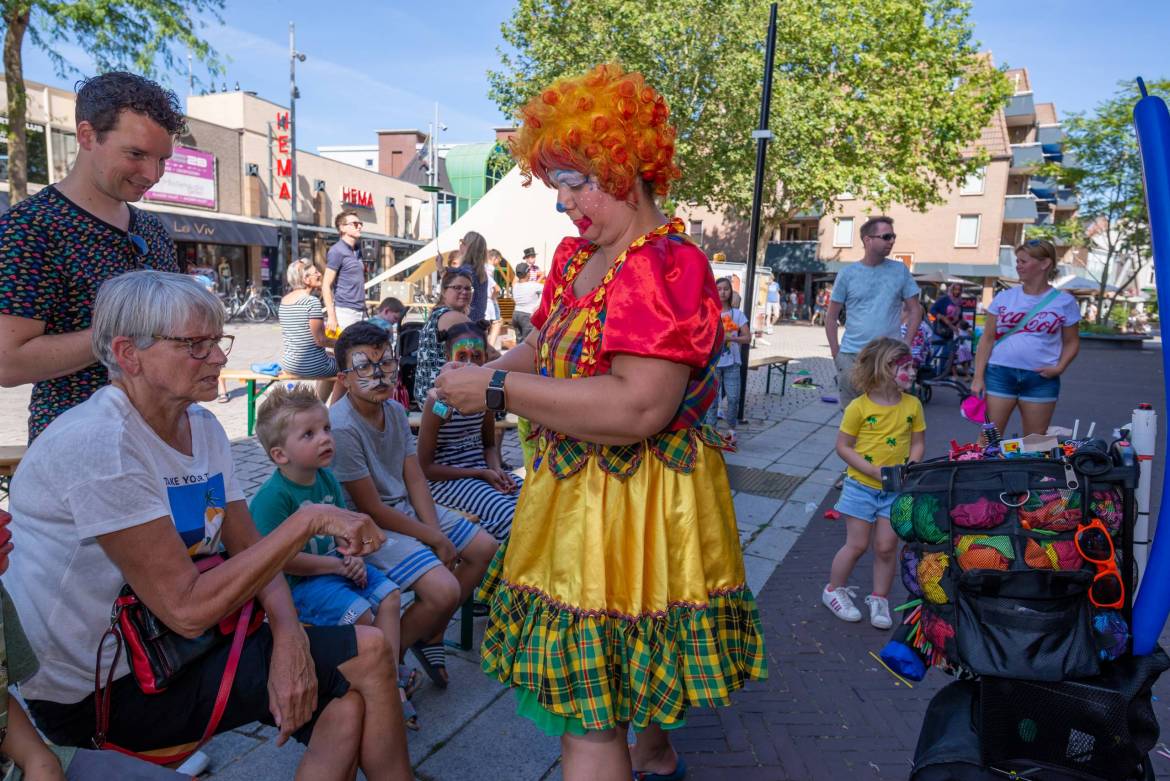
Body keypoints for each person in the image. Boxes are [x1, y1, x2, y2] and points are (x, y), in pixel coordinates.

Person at [433, 63, 766, 780]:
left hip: (636, 508)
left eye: (578, 179)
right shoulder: (577, 257)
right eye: (556, 183)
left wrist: (496, 395)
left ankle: (643, 748)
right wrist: (485, 373)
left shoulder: (667, 264)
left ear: (628, 162)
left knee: (590, 714)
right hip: (577, 497)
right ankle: (657, 751)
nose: (565, 202)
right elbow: (546, 342)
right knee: (612, 689)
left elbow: (637, 407)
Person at [6, 271, 411, 780]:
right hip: (101, 690)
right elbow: (187, 609)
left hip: (178, 651)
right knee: (367, 658)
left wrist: (288, 633)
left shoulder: (200, 425)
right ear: (129, 354)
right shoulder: (101, 444)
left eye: (218, 340)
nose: (218, 357)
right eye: (196, 345)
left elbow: (249, 545)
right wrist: (309, 519)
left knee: (346, 702)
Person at [0, 71, 182, 443]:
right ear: (87, 136)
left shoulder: (153, 229)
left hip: (164, 439)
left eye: (162, 159)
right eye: (136, 154)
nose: (153, 174)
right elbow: (7, 361)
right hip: (79, 446)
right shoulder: (31, 227)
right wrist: (121, 335)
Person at [329, 322, 498, 690]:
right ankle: (389, 664)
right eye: (365, 367)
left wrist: (434, 531)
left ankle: (425, 634)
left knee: (485, 547)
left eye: (386, 363)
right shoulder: (341, 426)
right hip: (367, 527)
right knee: (445, 590)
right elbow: (371, 508)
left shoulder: (393, 409)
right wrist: (432, 538)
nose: (379, 375)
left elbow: (415, 478)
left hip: (401, 509)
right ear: (343, 378)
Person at [251, 384, 419, 730]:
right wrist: (337, 564)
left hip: (337, 567)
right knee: (362, 616)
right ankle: (381, 684)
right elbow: (279, 561)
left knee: (390, 596)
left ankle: (388, 676)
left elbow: (345, 531)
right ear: (280, 455)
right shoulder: (272, 499)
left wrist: (353, 556)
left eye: (326, 429)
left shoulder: (327, 478)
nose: (325, 438)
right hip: (300, 585)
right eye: (309, 434)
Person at [824, 337, 925, 628]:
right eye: (906, 367)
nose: (913, 373)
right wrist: (872, 470)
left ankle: (879, 598)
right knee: (856, 545)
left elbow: (918, 443)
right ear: (884, 369)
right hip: (860, 487)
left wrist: (913, 464)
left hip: (895, 488)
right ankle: (833, 590)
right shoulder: (859, 407)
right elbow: (843, 446)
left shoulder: (913, 405)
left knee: (885, 547)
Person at [417, 321, 521, 543]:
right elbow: (425, 469)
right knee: (511, 517)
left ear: (486, 357)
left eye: (476, 357)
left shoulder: (487, 394)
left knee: (536, 503)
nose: (469, 364)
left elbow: (489, 445)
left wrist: (496, 470)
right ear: (447, 356)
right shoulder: (438, 401)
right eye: (461, 356)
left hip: (482, 474)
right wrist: (480, 474)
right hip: (445, 483)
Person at [971, 239, 1081, 437]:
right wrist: (978, 377)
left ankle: (1029, 469)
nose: (1018, 266)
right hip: (1000, 373)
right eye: (1017, 261)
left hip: (1040, 378)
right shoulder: (1004, 298)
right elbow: (986, 339)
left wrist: (1060, 367)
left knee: (1035, 442)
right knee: (989, 439)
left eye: (1023, 261)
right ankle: (990, 469)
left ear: (1045, 264)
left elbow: (1072, 341)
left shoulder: (1064, 302)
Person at [825, 216, 921, 410]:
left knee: (887, 418)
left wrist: (906, 344)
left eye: (893, 236)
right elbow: (831, 315)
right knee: (853, 420)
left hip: (889, 358)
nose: (892, 241)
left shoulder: (900, 270)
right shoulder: (847, 273)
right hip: (852, 357)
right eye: (886, 236)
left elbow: (915, 309)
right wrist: (837, 354)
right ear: (868, 240)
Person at [276, 258, 338, 402]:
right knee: (347, 366)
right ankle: (330, 411)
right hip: (308, 366)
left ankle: (316, 402)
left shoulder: (284, 300)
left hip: (289, 363)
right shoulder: (311, 302)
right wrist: (344, 343)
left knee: (330, 356)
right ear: (305, 279)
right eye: (315, 273)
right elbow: (320, 340)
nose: (319, 275)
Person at [413, 268, 475, 408]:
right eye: (457, 287)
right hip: (443, 402)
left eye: (467, 288)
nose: (464, 292)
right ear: (443, 291)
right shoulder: (454, 317)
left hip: (426, 398)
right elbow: (488, 354)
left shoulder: (436, 313)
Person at [705, 277, 750, 444]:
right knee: (712, 399)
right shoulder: (710, 314)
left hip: (732, 363)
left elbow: (747, 338)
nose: (722, 292)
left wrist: (733, 338)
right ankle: (711, 431)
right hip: (714, 364)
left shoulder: (737, 314)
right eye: (719, 289)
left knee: (733, 398)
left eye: (726, 289)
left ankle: (731, 430)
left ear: (731, 292)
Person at [323, 210, 367, 334]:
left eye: (360, 223)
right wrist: (331, 316)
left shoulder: (357, 250)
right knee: (347, 351)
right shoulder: (337, 251)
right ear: (342, 228)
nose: (359, 226)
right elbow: (326, 285)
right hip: (346, 312)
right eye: (354, 224)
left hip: (361, 310)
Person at [928, 282, 964, 364]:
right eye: (955, 289)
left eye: (959, 290)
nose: (957, 292)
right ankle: (926, 368)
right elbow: (932, 309)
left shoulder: (960, 302)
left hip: (951, 332)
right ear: (951, 289)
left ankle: (941, 372)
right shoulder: (944, 299)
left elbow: (960, 316)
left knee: (947, 354)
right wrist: (940, 316)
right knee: (934, 350)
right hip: (939, 330)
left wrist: (959, 325)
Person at [459, 231, 490, 322]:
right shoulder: (481, 272)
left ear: (468, 247)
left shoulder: (465, 271)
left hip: (464, 324)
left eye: (462, 242)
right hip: (478, 325)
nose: (460, 245)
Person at [510, 262, 543, 343]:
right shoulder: (533, 286)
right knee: (528, 344)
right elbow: (548, 289)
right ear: (528, 273)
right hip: (527, 315)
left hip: (516, 314)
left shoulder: (515, 286)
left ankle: (518, 356)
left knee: (519, 342)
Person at [484, 250, 503, 349]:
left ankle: (488, 347)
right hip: (488, 300)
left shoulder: (484, 268)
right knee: (497, 322)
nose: (498, 264)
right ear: (494, 259)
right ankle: (490, 347)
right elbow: (497, 288)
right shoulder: (488, 269)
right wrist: (494, 296)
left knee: (489, 324)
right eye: (498, 261)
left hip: (485, 300)